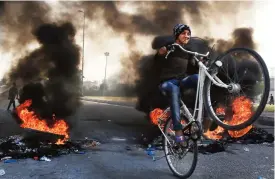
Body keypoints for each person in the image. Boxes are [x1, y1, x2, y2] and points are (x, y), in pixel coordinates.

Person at [156, 24, 199, 145]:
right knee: (174, 89)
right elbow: (158, 58)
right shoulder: (170, 48)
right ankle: (178, 131)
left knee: (198, 78)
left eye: (188, 33)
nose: (187, 36)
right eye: (184, 33)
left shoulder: (188, 51)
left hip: (181, 81)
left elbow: (194, 67)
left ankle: (204, 116)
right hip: (166, 83)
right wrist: (162, 52)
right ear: (177, 35)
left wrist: (200, 61)